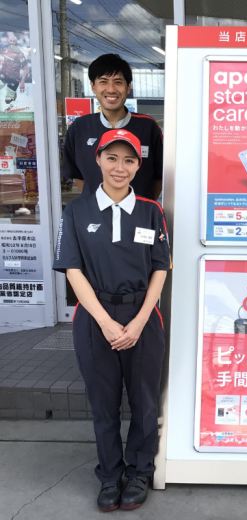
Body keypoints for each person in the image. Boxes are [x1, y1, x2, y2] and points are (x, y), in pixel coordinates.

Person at [53, 129, 170, 511]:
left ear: (138, 165)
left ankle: (139, 472)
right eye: (113, 158)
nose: (120, 167)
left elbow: (160, 268)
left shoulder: (151, 211)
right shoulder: (77, 211)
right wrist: (105, 322)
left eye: (129, 160)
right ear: (98, 160)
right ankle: (109, 474)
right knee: (103, 404)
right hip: (94, 316)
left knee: (144, 402)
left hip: (142, 315)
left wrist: (138, 322)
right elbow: (72, 270)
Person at [62, 53, 163, 200]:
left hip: (139, 213)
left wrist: (144, 207)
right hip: (94, 213)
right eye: (103, 81)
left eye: (118, 82)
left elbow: (159, 176)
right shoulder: (79, 128)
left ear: (128, 87)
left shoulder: (148, 127)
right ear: (93, 86)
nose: (111, 89)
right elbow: (78, 176)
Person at [0, 33, 29, 111]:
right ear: (8, 42)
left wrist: (22, 82)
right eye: (11, 41)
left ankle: (12, 94)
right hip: (3, 75)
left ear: (16, 42)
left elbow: (26, 68)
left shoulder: (20, 54)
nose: (12, 42)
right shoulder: (4, 49)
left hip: (14, 78)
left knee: (7, 101)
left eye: (14, 41)